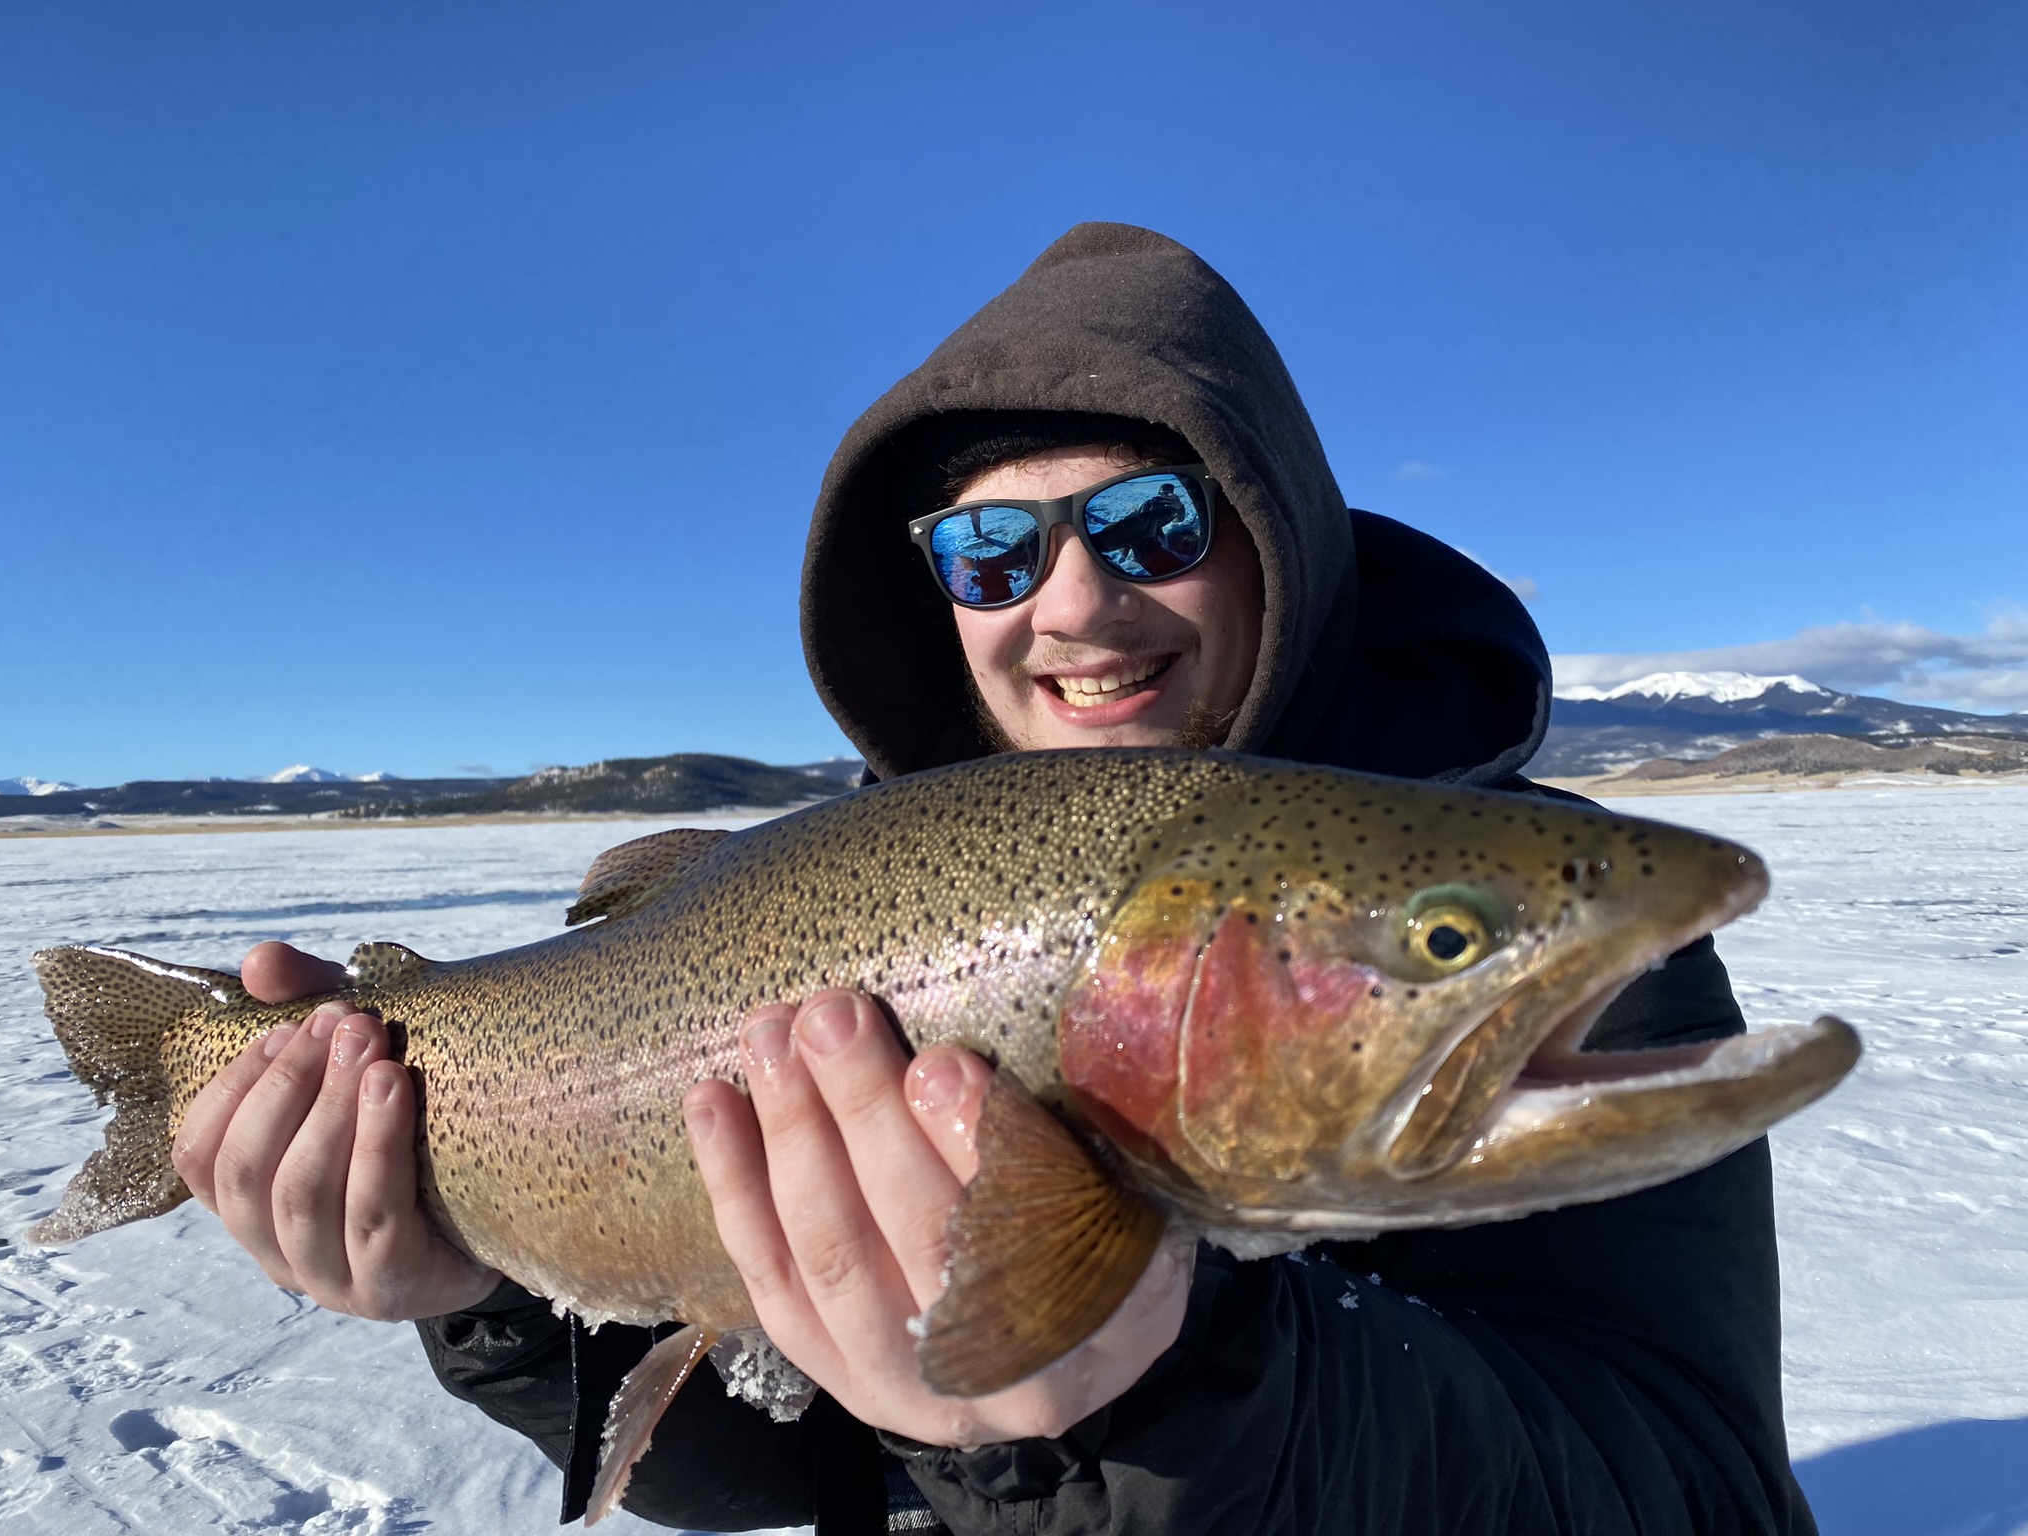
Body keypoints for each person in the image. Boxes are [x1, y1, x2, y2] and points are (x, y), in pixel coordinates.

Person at [171, 224, 1817, 1534]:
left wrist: (1177, 1389)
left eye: (1153, 521)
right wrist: (489, 1301)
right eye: (992, 551)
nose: (1075, 604)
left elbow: (1698, 1498)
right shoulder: (841, 915)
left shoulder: (1575, 979)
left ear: (1276, 535)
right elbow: (784, 1463)